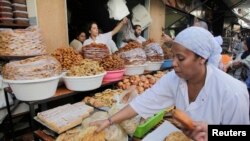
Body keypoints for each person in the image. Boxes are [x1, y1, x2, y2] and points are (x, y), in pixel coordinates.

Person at [90, 27, 250, 140]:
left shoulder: (233, 92)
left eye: (180, 58)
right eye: (173, 56)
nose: (173, 63)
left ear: (202, 58)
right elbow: (143, 103)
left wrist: (214, 133)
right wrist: (109, 120)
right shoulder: (174, 79)